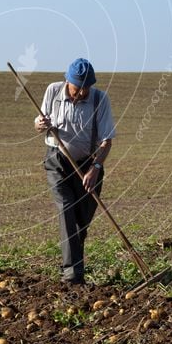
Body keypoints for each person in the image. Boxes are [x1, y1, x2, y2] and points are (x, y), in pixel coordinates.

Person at [34, 58, 115, 286]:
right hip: (57, 161)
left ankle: (73, 264)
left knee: (82, 220)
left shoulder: (100, 99)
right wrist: (40, 125)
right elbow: (39, 123)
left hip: (88, 165)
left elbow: (107, 140)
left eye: (85, 88)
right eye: (76, 87)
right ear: (67, 80)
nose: (80, 93)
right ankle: (73, 276)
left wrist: (95, 168)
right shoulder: (53, 91)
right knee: (66, 208)